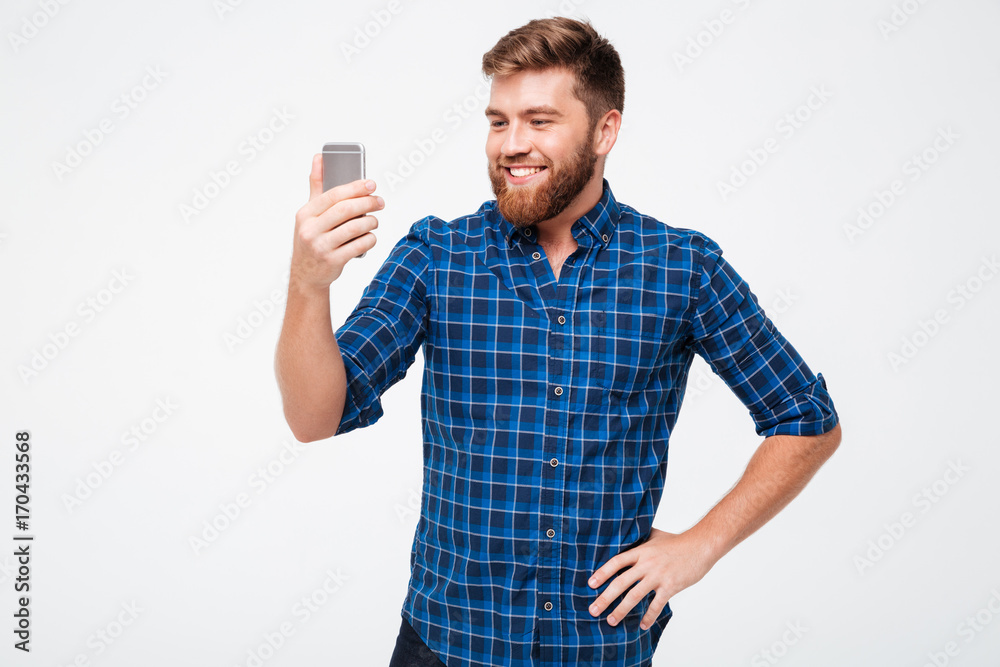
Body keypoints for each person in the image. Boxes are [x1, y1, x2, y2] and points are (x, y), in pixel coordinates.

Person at [274, 16, 841, 667]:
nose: (511, 144)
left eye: (540, 120)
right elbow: (315, 416)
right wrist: (308, 285)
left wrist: (699, 546)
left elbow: (806, 418)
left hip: (598, 650)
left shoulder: (682, 267)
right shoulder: (437, 255)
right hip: (445, 645)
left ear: (605, 130)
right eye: (498, 121)